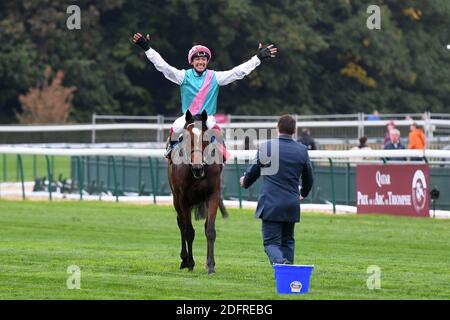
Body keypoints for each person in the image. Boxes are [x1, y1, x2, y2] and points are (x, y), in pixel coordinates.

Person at [132, 33, 277, 159]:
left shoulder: (215, 77)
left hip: (207, 118)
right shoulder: (183, 76)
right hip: (188, 117)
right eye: (197, 59)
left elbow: (238, 72)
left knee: (216, 132)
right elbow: (163, 66)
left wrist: (257, 58)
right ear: (192, 61)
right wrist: (147, 48)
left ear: (207, 61)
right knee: (175, 127)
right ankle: (170, 151)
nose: (201, 62)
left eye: (203, 60)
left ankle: (223, 158)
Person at [239, 115, 314, 265]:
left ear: (277, 128)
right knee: (287, 242)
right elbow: (309, 178)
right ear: (294, 130)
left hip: (271, 204)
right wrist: (303, 193)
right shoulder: (302, 150)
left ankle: (281, 263)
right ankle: (289, 279)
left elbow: (254, 170)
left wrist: (245, 181)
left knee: (271, 243)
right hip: (291, 203)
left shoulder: (266, 147)